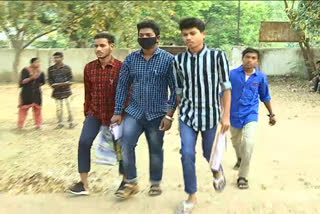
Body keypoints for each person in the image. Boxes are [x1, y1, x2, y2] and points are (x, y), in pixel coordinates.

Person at [111, 20, 177, 199]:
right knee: (126, 145)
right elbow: (123, 86)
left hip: (157, 114)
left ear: (157, 37)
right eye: (141, 36)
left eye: (148, 35)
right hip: (135, 112)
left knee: (155, 149)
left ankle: (155, 183)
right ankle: (131, 182)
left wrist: (169, 115)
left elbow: (176, 89)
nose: (145, 38)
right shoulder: (131, 59)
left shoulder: (168, 60)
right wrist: (118, 112)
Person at [173, 18, 231, 214]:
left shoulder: (217, 57)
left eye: (192, 33)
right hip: (187, 116)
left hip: (211, 115)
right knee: (187, 154)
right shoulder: (179, 60)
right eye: (185, 34)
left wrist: (226, 117)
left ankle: (217, 171)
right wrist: (176, 110)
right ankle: (191, 196)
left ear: (203, 34)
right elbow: (178, 89)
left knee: (209, 153)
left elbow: (226, 88)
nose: (188, 38)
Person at [68, 33, 126, 196]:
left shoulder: (121, 68)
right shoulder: (89, 68)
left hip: (115, 115)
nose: (98, 49)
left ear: (111, 46)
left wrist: (122, 114)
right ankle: (84, 184)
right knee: (84, 143)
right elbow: (88, 92)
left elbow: (128, 93)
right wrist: (87, 112)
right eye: (96, 46)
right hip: (95, 113)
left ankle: (125, 182)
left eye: (102, 45)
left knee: (121, 148)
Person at [229, 47, 276, 190]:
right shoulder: (232, 75)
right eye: (247, 57)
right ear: (242, 58)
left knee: (248, 142)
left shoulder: (260, 77)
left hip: (251, 114)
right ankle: (239, 158)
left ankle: (243, 176)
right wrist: (222, 113)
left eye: (253, 58)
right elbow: (223, 94)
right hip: (233, 113)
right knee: (236, 142)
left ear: (257, 61)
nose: (250, 60)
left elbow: (265, 96)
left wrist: (271, 114)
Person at [48, 52, 76, 129]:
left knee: (69, 108)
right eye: (55, 58)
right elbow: (50, 80)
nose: (56, 59)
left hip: (67, 91)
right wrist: (53, 85)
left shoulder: (67, 68)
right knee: (59, 109)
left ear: (62, 58)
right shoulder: (51, 69)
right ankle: (60, 123)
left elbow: (71, 78)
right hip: (57, 92)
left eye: (58, 57)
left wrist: (67, 83)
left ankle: (71, 123)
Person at [18, 57, 45, 130]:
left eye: (39, 62)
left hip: (37, 93)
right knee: (23, 110)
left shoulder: (41, 72)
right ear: (32, 63)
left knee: (38, 110)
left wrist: (35, 86)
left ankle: (39, 125)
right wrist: (31, 78)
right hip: (26, 93)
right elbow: (22, 82)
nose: (38, 64)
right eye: (36, 62)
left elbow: (42, 82)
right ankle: (20, 125)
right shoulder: (25, 70)